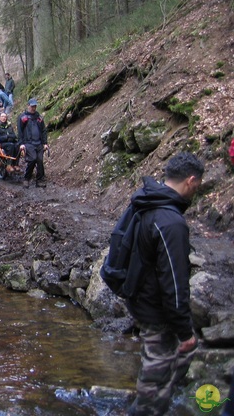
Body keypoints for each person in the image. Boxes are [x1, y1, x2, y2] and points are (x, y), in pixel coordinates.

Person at [125, 152, 204, 416]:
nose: (197, 190)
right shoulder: (171, 222)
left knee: (154, 371)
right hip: (158, 311)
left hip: (141, 300)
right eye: (198, 185)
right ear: (191, 181)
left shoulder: (146, 202)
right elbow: (173, 281)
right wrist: (184, 331)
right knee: (153, 385)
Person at [17, 98, 48, 188]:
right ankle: (26, 178)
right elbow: (20, 131)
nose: (33, 108)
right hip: (28, 143)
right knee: (33, 159)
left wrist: (45, 143)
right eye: (32, 106)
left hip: (39, 143)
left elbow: (43, 130)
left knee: (40, 160)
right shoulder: (23, 117)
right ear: (28, 106)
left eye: (35, 106)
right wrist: (21, 143)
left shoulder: (39, 118)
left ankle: (39, 180)